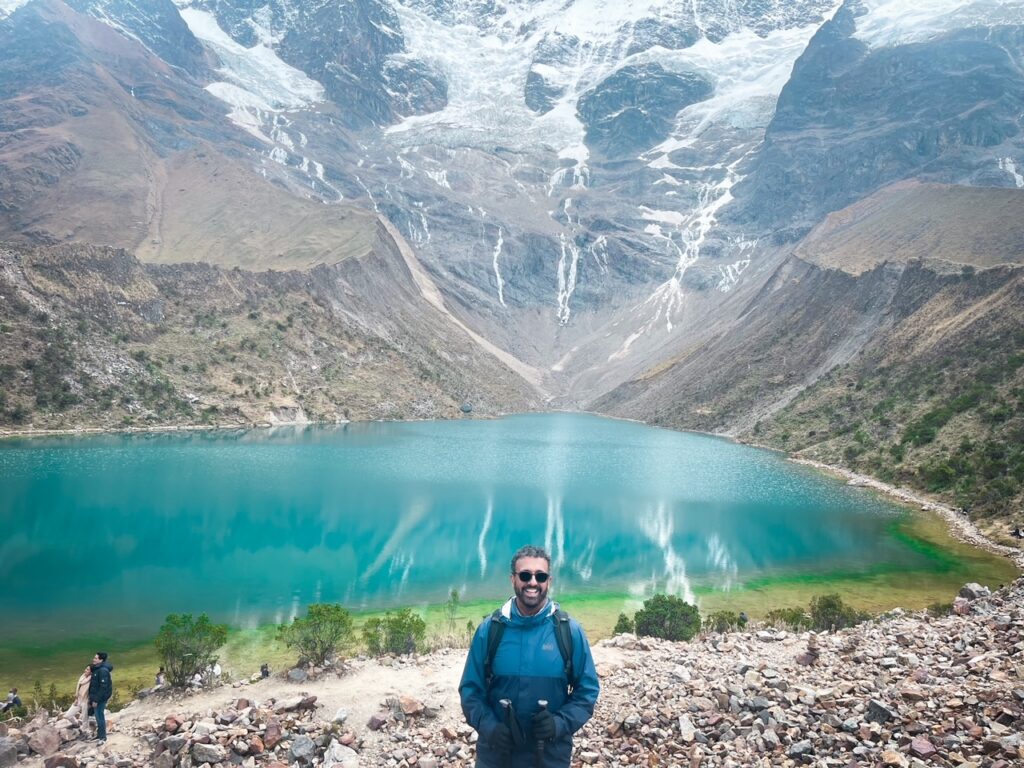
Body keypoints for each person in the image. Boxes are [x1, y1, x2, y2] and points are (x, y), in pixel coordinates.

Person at [460, 545, 600, 768]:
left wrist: (559, 724)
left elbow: (588, 690)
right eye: (525, 575)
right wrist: (490, 728)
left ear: (549, 581)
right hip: (497, 756)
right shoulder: (490, 630)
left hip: (549, 756)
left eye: (540, 576)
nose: (532, 582)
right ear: (513, 579)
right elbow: (470, 690)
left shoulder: (568, 631)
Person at [88, 652, 113, 743]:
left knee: (100, 716)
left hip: (100, 699)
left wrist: (96, 700)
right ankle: (99, 735)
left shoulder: (102, 671)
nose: (93, 659)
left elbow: (103, 687)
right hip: (96, 698)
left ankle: (103, 738)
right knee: (98, 717)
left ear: (101, 660)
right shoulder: (97, 669)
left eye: (95, 658)